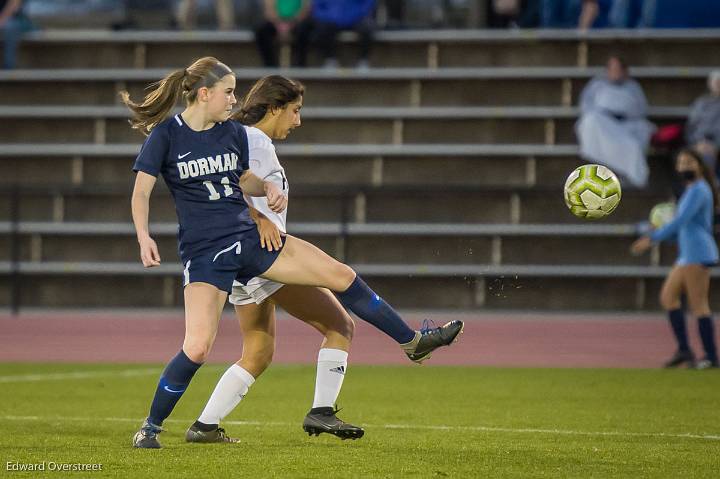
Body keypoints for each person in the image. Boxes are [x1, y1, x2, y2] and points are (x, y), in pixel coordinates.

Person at [122, 58, 464, 449]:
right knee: (198, 346)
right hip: (206, 252)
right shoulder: (167, 136)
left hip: (252, 243)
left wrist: (264, 188)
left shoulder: (231, 133)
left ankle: (411, 342)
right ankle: (150, 426)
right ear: (204, 93)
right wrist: (143, 235)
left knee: (341, 275)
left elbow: (241, 176)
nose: (235, 99)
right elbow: (141, 192)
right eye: (229, 91)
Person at [631, 149, 719, 370]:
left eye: (689, 162)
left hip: (698, 252)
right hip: (687, 254)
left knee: (699, 305)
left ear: (699, 165)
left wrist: (653, 238)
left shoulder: (699, 190)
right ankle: (684, 350)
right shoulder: (691, 190)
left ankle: (711, 356)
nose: (684, 166)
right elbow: (683, 227)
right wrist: (657, 235)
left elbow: (681, 221)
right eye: (680, 162)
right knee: (668, 297)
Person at [575, 56, 656, 189]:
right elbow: (586, 107)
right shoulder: (597, 85)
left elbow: (640, 110)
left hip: (626, 125)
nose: (615, 72)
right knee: (590, 121)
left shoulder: (633, 87)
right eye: (612, 69)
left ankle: (630, 176)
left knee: (635, 141)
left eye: (618, 69)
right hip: (603, 125)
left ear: (624, 71)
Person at [297, 0, 375, 68]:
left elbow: (368, 4)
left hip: (357, 18)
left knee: (367, 28)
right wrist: (328, 17)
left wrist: (355, 15)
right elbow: (317, 7)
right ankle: (329, 59)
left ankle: (364, 61)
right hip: (329, 19)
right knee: (320, 29)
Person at [685, 70, 720, 179]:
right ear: (710, 84)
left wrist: (716, 147)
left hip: (716, 144)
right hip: (699, 143)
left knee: (707, 157)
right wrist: (697, 144)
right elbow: (690, 127)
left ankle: (709, 190)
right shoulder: (701, 103)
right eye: (717, 82)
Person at [0, 0, 32, 70]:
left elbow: (14, 6)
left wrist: (2, 20)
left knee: (10, 27)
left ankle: (8, 68)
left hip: (16, 20)